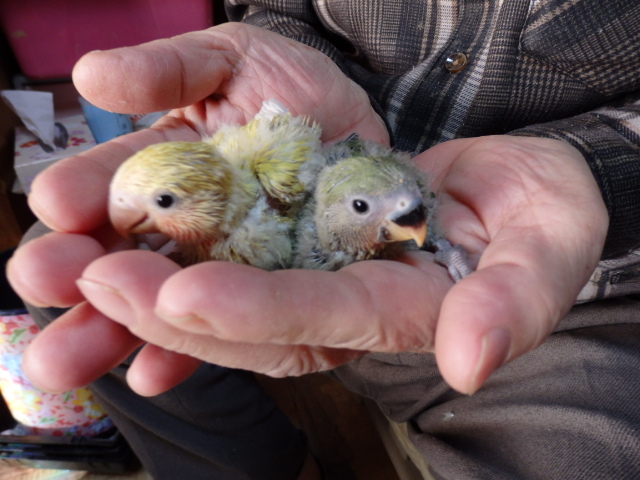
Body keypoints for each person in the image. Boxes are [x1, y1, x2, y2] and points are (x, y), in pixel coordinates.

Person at [7, 1, 640, 478]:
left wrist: (600, 168)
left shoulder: (310, 198)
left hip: (580, 288)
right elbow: (281, 8)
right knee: (74, 262)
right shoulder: (258, 197)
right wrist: (269, 48)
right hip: (348, 199)